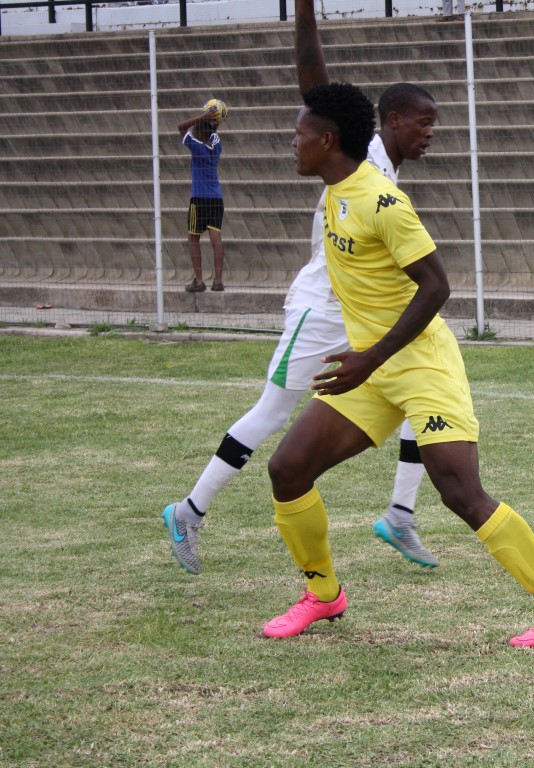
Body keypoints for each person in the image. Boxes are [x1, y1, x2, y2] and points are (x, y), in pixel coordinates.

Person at [258, 0, 534, 647]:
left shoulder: (383, 200)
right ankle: (323, 596)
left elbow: (437, 286)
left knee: (460, 492)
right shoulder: (337, 181)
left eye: (299, 134)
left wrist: (370, 356)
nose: (292, 141)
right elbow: (315, 83)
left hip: (416, 362)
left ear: (327, 141)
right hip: (372, 365)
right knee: (288, 469)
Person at [162, 90, 442, 576]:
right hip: (320, 311)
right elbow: (318, 92)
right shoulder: (365, 157)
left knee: (421, 391)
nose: (431, 132)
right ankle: (188, 510)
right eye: (424, 122)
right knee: (272, 412)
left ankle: (400, 513)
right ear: (394, 121)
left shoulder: (381, 168)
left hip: (358, 312)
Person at [178, 104, 226, 292]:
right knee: (216, 240)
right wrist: (215, 119)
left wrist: (203, 117)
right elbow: (212, 133)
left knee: (193, 238)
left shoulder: (197, 147)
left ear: (198, 133)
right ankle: (218, 281)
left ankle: (199, 281)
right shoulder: (216, 145)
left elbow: (181, 127)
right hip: (216, 198)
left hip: (199, 199)